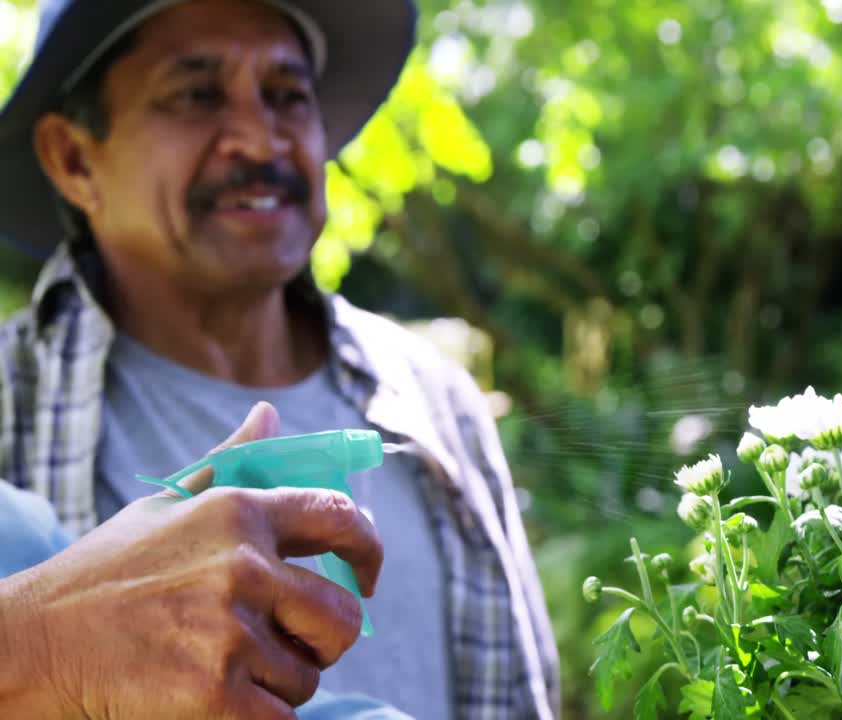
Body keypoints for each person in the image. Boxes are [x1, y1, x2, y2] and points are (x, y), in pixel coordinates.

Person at [0, 1, 559, 718]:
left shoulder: (434, 401)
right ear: (74, 160)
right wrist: (48, 647)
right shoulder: (11, 404)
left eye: (289, 96)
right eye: (196, 94)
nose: (258, 139)